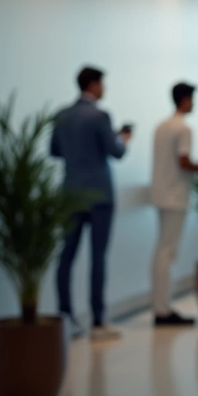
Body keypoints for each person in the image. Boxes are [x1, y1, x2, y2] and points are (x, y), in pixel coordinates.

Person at [51, 66, 131, 341]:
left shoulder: (62, 115)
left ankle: (65, 316)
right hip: (99, 196)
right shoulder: (100, 115)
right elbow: (116, 151)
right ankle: (98, 320)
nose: (104, 89)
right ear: (94, 85)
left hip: (70, 194)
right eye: (102, 84)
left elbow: (55, 151)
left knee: (66, 256)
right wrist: (123, 138)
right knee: (98, 257)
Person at [150, 83, 198, 327]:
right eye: (192, 99)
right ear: (184, 100)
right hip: (175, 197)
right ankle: (163, 309)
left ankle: (161, 305)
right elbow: (183, 161)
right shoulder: (183, 128)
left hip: (161, 194)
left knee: (162, 251)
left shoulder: (161, 127)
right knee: (167, 253)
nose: (194, 103)